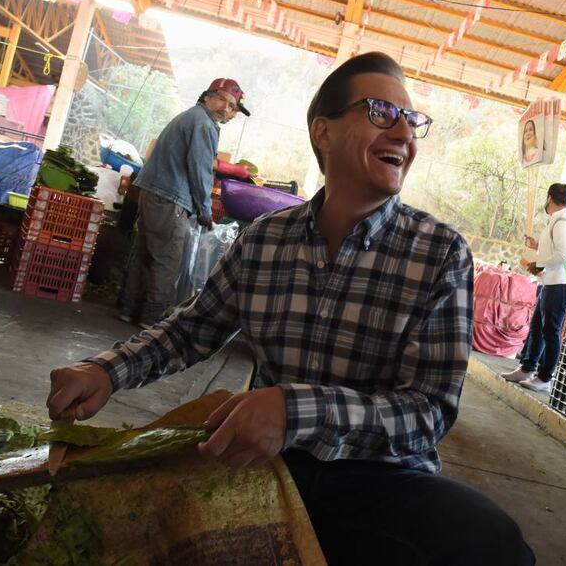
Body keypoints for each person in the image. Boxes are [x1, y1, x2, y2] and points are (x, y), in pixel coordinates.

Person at [48, 52, 534, 566]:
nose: (403, 134)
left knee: (492, 543)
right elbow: (192, 329)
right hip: (263, 462)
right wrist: (106, 371)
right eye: (380, 113)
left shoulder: (438, 252)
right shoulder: (265, 240)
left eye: (411, 120)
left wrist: (295, 410)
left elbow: (429, 412)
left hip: (381, 477)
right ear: (323, 133)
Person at [117, 78, 248, 328]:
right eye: (221, 99)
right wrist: (205, 210)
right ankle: (150, 318)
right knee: (167, 259)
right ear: (206, 96)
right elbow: (199, 170)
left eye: (232, 106)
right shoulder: (203, 124)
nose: (225, 108)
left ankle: (128, 308)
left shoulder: (193, 117)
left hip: (154, 191)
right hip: (169, 197)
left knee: (145, 254)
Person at [503, 183, 566, 393]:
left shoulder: (562, 221)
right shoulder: (557, 220)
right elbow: (555, 249)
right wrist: (537, 246)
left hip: (559, 284)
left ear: (549, 197)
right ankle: (527, 368)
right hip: (550, 282)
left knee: (550, 331)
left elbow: (564, 254)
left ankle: (544, 377)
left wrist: (538, 265)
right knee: (537, 328)